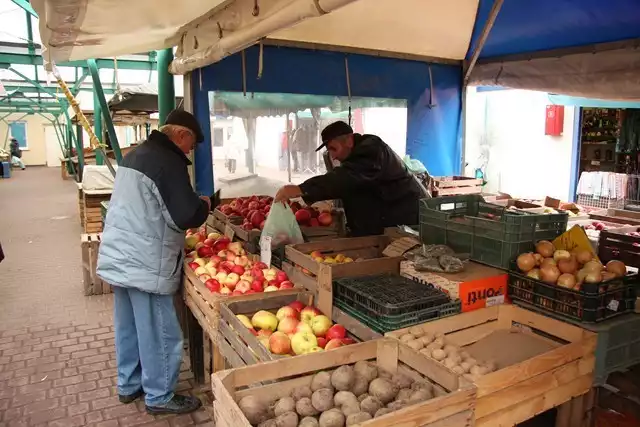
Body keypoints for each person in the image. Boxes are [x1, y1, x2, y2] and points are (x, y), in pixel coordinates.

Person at [96, 109, 210, 415]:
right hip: (145, 258)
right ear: (182, 135)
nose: (190, 150)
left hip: (121, 253)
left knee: (129, 325)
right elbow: (185, 215)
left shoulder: (137, 155)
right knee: (160, 330)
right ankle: (159, 396)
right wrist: (204, 206)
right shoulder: (168, 161)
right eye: (192, 143)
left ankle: (129, 385)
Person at [275, 121, 427, 236]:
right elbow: (352, 186)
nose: (333, 156)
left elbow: (346, 178)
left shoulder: (372, 150)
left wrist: (302, 188)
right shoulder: (356, 157)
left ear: (348, 141)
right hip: (385, 217)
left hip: (408, 219)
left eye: (334, 149)